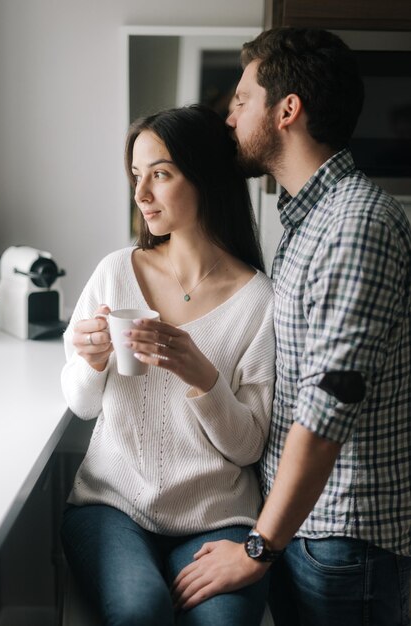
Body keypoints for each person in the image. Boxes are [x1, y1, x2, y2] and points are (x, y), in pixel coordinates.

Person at [172, 27, 411, 626]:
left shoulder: (356, 223)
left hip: (343, 539)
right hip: (306, 532)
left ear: (287, 111)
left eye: (241, 100)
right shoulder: (308, 222)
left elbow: (329, 406)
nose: (229, 118)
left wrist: (258, 548)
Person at [60, 104, 275, 626]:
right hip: (112, 505)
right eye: (136, 176)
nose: (141, 195)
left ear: (203, 177)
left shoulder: (257, 301)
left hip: (215, 516)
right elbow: (82, 404)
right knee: (139, 610)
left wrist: (202, 375)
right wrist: (89, 361)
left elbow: (247, 445)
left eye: (160, 174)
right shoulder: (116, 272)